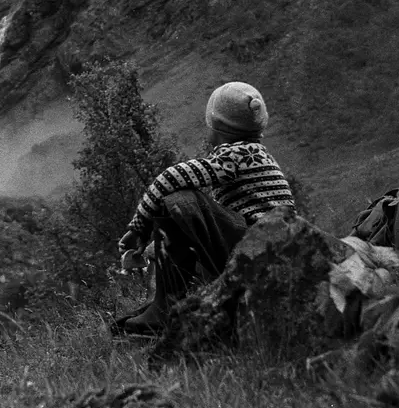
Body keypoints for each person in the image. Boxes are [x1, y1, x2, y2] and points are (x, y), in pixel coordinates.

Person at [113, 81, 296, 336]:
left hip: (255, 251)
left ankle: (164, 309)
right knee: (181, 227)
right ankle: (166, 305)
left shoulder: (235, 156)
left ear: (217, 126)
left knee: (179, 198)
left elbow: (170, 177)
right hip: (280, 255)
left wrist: (139, 228)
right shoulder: (261, 156)